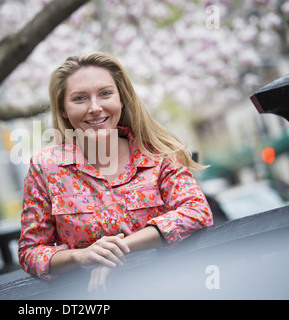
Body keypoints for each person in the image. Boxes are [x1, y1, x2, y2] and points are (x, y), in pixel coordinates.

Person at [18, 52, 213, 294]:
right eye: (79, 98)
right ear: (64, 110)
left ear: (122, 99)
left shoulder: (157, 154)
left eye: (105, 93)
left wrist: (119, 249)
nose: (95, 107)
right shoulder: (45, 168)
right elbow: (31, 252)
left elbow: (196, 211)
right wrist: (82, 256)